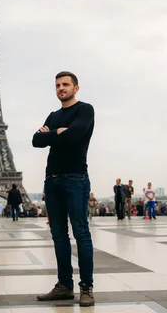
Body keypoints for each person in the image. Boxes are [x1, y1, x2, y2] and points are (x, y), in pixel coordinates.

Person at [32, 71, 95, 307]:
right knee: (58, 235)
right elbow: (35, 141)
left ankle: (86, 287)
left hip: (76, 178)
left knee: (81, 233)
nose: (61, 88)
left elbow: (75, 137)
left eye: (66, 84)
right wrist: (58, 133)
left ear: (76, 88)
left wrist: (52, 134)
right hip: (53, 180)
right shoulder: (54, 115)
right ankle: (64, 285)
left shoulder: (85, 110)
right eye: (58, 85)